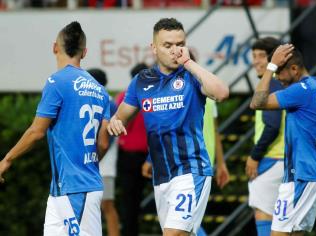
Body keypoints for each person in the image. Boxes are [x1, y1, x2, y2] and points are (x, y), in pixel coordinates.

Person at [107, 18, 229, 236]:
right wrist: (116, 122)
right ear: (153, 48)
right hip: (162, 177)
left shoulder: (191, 76)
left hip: (191, 170)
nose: (175, 50)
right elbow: (120, 116)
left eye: (180, 44)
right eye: (168, 45)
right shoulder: (141, 81)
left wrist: (189, 63)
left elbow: (221, 92)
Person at [0, 21, 110, 236]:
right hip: (70, 187)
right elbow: (103, 143)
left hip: (75, 188)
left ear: (54, 47)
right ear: (84, 52)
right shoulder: (100, 90)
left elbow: (36, 132)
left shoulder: (56, 81)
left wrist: (6, 160)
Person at [250, 44, 316, 236]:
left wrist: (270, 67)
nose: (277, 78)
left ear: (294, 69)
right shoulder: (315, 86)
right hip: (308, 174)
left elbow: (257, 102)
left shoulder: (301, 90)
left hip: (302, 175)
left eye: (279, 72)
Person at [245, 37, 285, 236]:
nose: (256, 61)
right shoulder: (284, 83)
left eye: (261, 56)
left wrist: (254, 156)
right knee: (284, 225)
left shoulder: (269, 84)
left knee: (264, 219)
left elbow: (272, 125)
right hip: (286, 161)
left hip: (270, 161)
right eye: (254, 56)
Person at [115, 63, 149, 236]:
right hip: (149, 156)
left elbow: (116, 124)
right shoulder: (153, 97)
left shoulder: (124, 97)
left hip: (127, 156)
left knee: (129, 203)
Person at [88, 68, 120, 236]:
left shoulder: (109, 102)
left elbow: (110, 137)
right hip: (93, 160)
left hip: (104, 163)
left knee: (107, 204)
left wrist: (98, 155)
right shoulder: (92, 100)